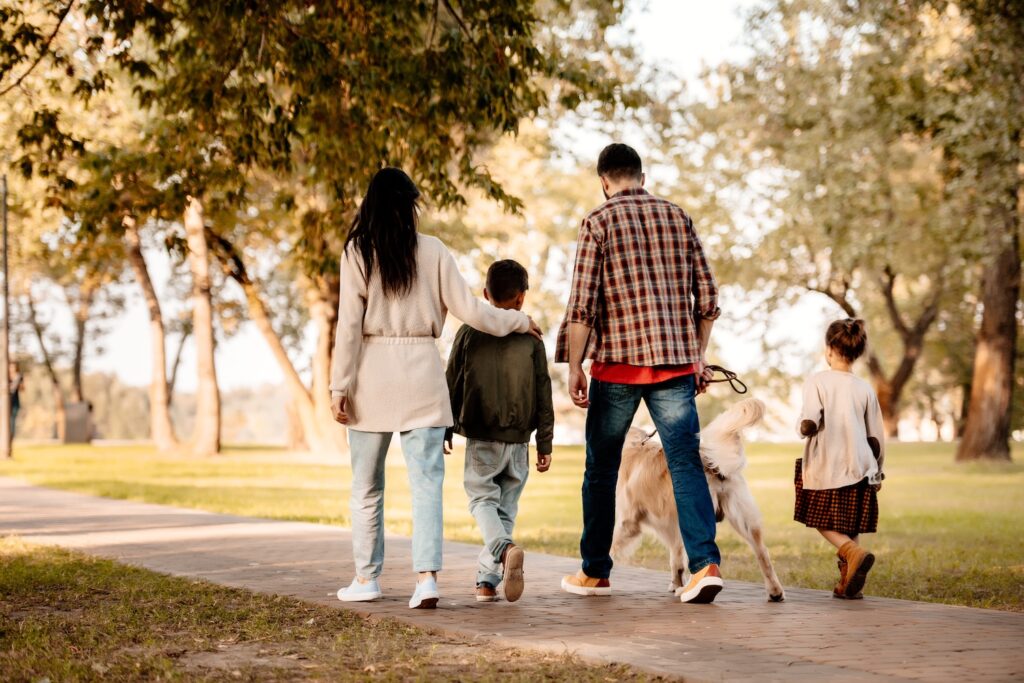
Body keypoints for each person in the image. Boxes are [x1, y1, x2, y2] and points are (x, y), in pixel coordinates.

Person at [330, 167, 542, 610]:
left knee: (366, 486)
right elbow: (473, 311)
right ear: (410, 205)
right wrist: (520, 320)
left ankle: (366, 577)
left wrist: (339, 385)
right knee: (425, 484)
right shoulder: (434, 251)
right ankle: (426, 579)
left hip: (372, 376)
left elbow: (349, 326)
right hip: (423, 376)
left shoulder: (357, 251)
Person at [555, 142, 725, 604]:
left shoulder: (597, 221)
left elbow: (582, 306)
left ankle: (595, 571)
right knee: (686, 462)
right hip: (674, 365)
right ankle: (705, 564)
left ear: (604, 182)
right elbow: (708, 299)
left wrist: (574, 367)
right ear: (642, 177)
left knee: (602, 469)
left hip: (617, 367)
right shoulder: (678, 216)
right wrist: (698, 355)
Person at [444, 259, 554, 604]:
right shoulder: (532, 339)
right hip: (520, 440)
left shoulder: (468, 332)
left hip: (482, 434)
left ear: (485, 294)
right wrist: (545, 441)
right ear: (522, 298)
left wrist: (445, 427)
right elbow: (543, 391)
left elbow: (452, 380)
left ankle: (504, 552)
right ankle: (486, 581)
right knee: (505, 509)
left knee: (481, 500)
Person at [795, 318, 885, 599]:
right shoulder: (865, 388)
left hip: (827, 463)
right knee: (850, 524)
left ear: (830, 349)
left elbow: (810, 417)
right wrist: (878, 471)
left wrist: (805, 425)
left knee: (820, 518)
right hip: (861, 466)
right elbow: (876, 436)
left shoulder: (817, 381)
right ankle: (848, 583)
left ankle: (853, 553)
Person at [8, 361, 22, 440]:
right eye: (11, 366)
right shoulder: (6, 376)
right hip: (5, 402)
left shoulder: (19, 376)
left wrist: (18, 384)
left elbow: (23, 389)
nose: (12, 368)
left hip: (15, 402)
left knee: (12, 420)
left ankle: (11, 437)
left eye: (14, 367)